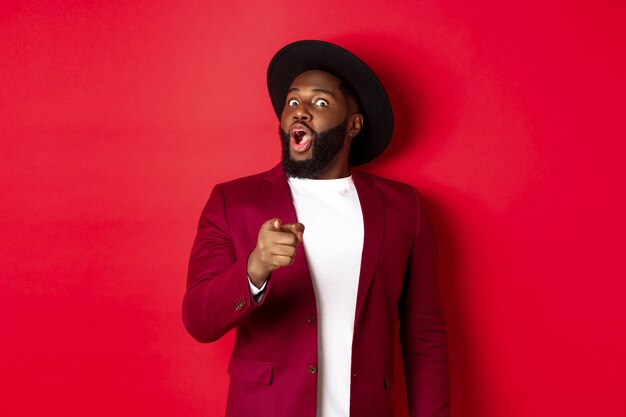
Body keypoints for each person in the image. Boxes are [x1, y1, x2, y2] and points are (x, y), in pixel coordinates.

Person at [182, 40, 449, 417]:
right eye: (293, 102)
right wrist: (254, 267)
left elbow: (424, 337)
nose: (301, 111)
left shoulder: (405, 208)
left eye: (320, 103)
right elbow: (198, 320)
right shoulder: (232, 201)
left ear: (353, 124)